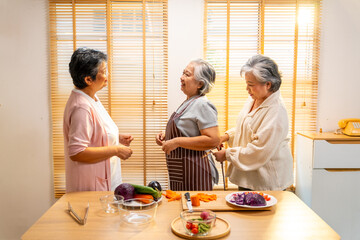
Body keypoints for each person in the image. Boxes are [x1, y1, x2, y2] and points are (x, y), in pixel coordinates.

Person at [213, 55, 293, 191]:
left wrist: (227, 154)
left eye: (251, 85)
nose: (247, 89)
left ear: (268, 84)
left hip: (267, 182)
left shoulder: (276, 111)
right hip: (250, 178)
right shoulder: (256, 98)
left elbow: (259, 150)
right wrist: (226, 136)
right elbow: (248, 127)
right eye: (247, 84)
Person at [63, 48, 133, 192]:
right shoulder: (81, 107)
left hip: (105, 179)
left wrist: (115, 138)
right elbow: (77, 152)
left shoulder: (91, 98)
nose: (108, 76)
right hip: (90, 186)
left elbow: (93, 132)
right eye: (104, 71)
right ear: (88, 79)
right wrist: (115, 149)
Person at [155, 59, 220, 191]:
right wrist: (167, 136)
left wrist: (177, 141)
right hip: (181, 171)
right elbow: (188, 131)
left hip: (196, 172)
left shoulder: (202, 104)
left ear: (200, 84)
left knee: (195, 210)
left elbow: (213, 140)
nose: (181, 77)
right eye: (183, 73)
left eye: (187, 74)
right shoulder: (189, 102)